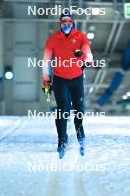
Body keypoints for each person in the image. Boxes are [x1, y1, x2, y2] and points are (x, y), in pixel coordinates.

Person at [42, 10, 93, 158]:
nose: (66, 24)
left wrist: (82, 55)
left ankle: (80, 131)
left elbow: (89, 57)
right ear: (60, 23)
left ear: (72, 22)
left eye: (68, 22)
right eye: (63, 22)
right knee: (62, 108)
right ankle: (61, 139)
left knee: (79, 108)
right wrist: (46, 80)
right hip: (60, 79)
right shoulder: (53, 39)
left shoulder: (80, 37)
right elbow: (46, 61)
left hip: (76, 79)